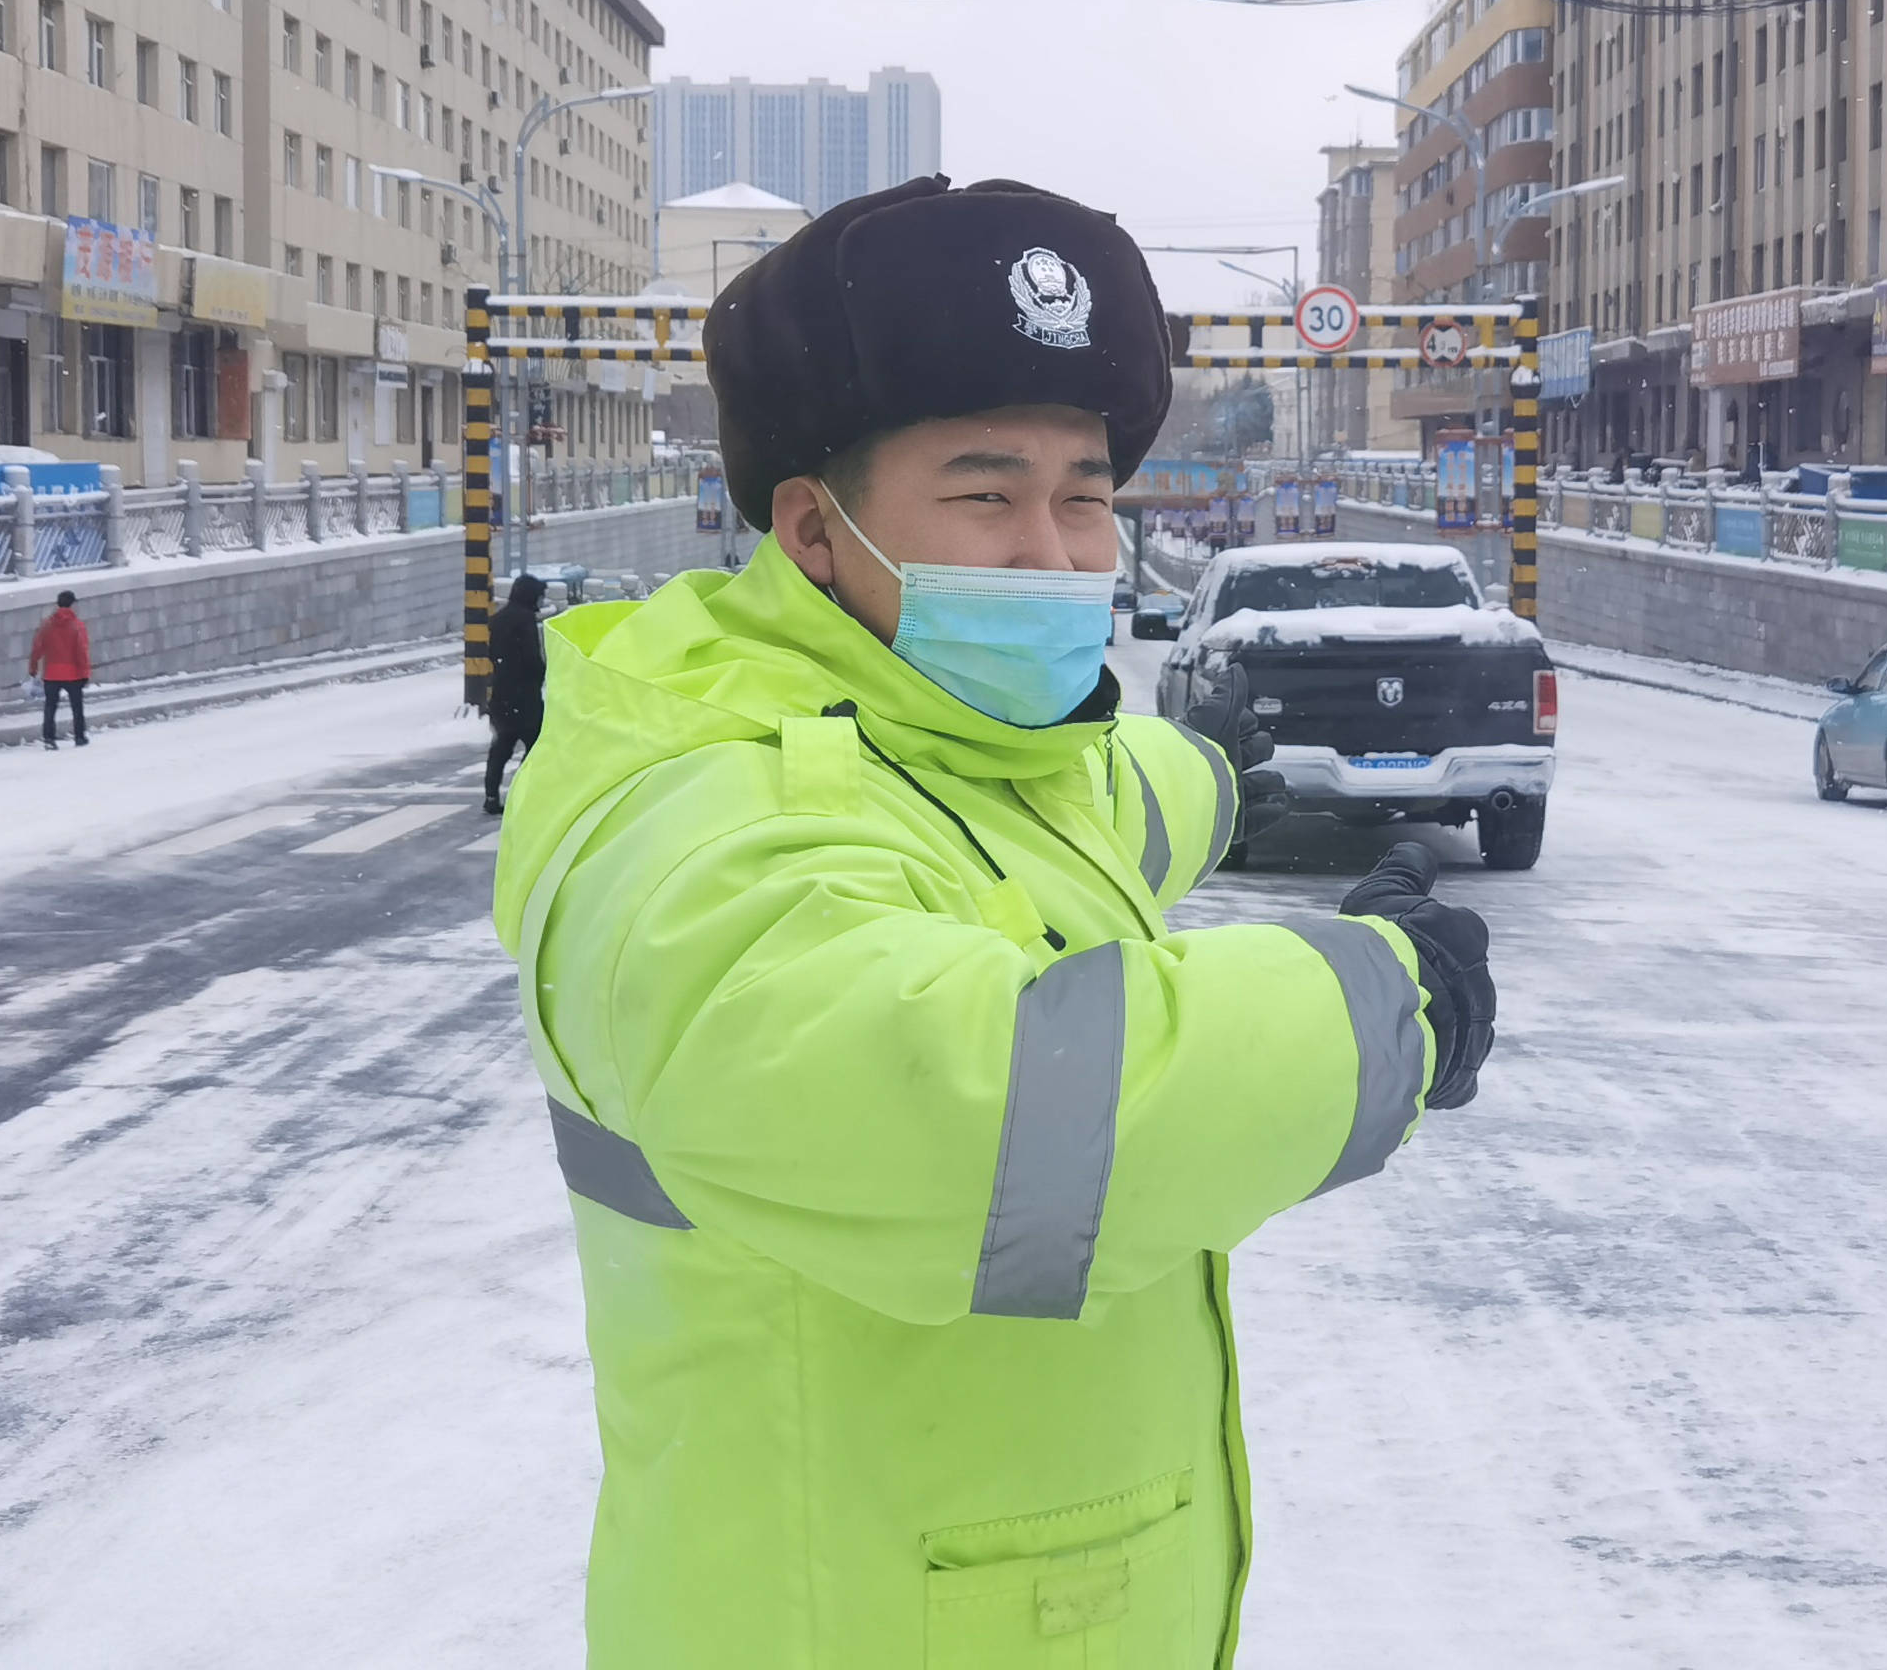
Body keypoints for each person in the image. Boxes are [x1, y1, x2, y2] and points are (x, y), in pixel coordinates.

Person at [492, 176, 1499, 1668]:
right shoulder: (699, 815)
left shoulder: (963, 739)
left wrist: (1229, 775)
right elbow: (976, 1114)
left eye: (1083, 495)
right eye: (984, 493)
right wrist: (1387, 1004)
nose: (1053, 554)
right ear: (814, 530)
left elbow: (1089, 804)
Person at [481, 572, 546, 815]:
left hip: (501, 694)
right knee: (536, 748)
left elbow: (494, 655)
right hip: (525, 696)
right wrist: (541, 675)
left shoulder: (498, 620)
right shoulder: (525, 620)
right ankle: (523, 792)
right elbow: (532, 658)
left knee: (501, 748)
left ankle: (491, 795)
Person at [29, 589, 91, 748]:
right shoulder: (77, 625)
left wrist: (33, 667)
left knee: (50, 707)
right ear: (72, 605)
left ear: (57, 604)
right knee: (77, 707)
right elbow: (81, 651)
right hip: (73, 674)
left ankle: (49, 738)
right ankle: (79, 736)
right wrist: (85, 673)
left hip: (51, 673)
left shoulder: (47, 625)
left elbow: (37, 647)